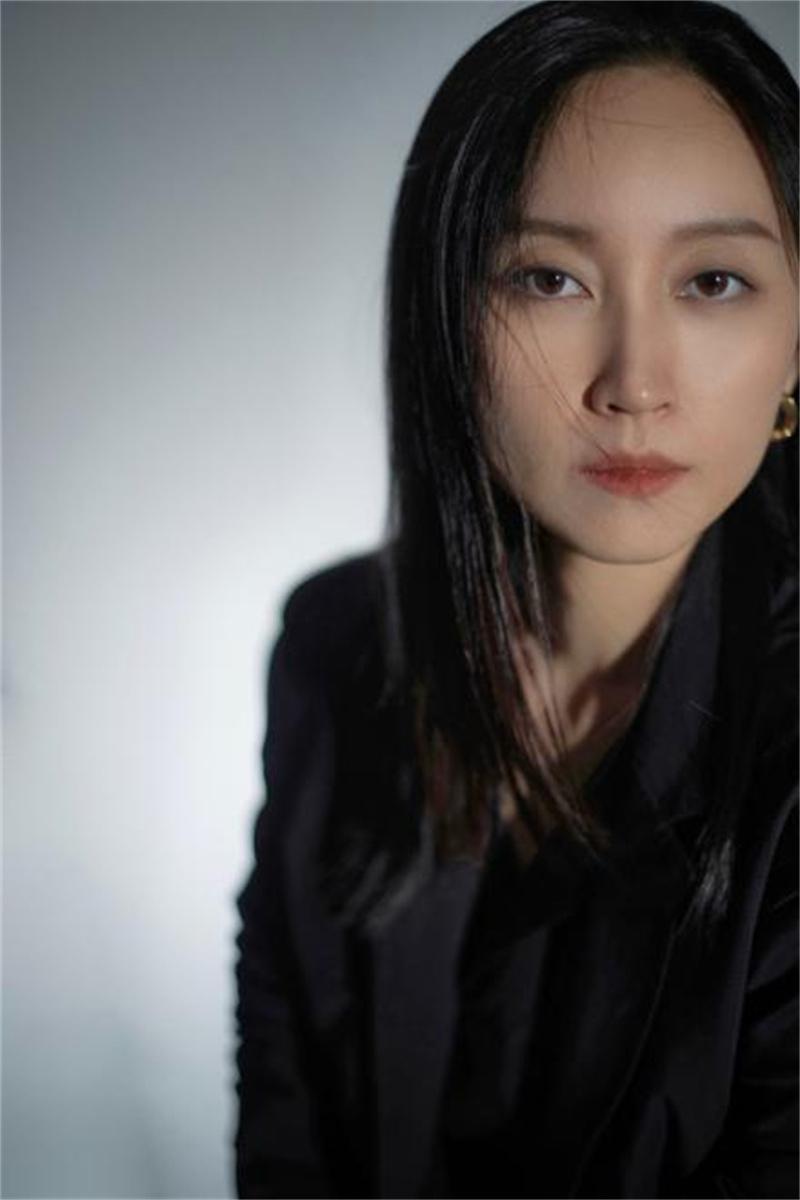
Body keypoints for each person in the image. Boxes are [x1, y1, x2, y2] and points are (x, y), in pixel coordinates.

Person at [234, 2, 799, 1196]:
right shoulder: (336, 647)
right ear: (445, 315)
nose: (632, 384)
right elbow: (287, 1128)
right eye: (549, 277)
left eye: (711, 280)